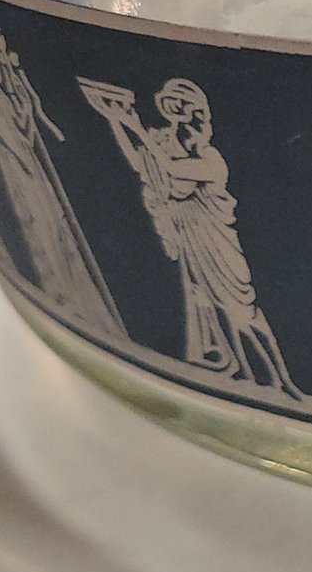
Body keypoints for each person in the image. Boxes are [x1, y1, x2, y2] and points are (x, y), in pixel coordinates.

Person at [86, 75, 298, 391]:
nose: (178, 126)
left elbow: (172, 169)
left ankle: (283, 380)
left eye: (185, 115)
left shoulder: (212, 160)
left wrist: (136, 127)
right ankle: (247, 375)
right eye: (174, 116)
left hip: (217, 242)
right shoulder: (166, 148)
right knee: (213, 307)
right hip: (190, 238)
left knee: (245, 311)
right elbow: (141, 164)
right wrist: (115, 121)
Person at [0, 33, 121, 338]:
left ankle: (76, 302)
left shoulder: (10, 88)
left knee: (51, 227)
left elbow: (26, 125)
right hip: (16, 185)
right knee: (36, 233)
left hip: (31, 178)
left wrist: (20, 90)